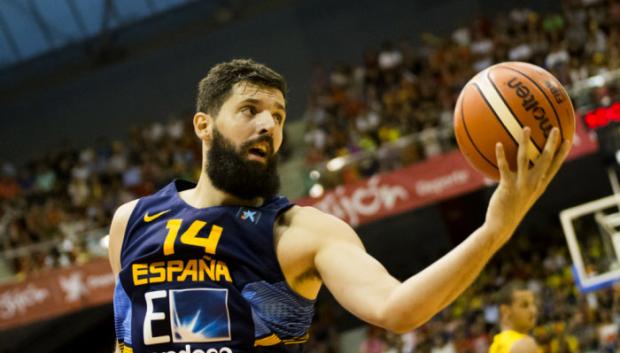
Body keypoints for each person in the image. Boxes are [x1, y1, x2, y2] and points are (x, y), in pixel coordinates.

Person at [108, 59, 571, 353]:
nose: (269, 123)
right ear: (203, 125)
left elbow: (397, 308)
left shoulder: (302, 232)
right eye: (250, 110)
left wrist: (495, 229)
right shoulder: (130, 222)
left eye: (279, 115)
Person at [489, 281, 539, 353]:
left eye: (533, 304)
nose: (533, 310)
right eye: (525, 305)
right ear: (505, 311)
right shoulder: (525, 346)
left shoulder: (495, 345)